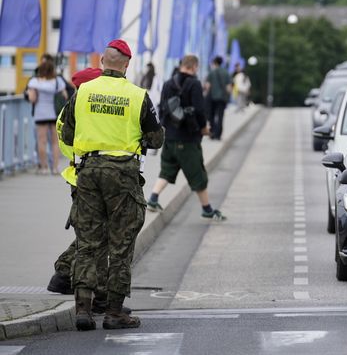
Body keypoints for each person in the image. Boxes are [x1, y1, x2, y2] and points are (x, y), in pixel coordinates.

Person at [59, 40, 164, 331]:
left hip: (88, 173)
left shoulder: (82, 92)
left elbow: (67, 133)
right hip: (123, 176)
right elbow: (156, 139)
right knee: (120, 245)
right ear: (127, 64)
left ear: (103, 62)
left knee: (87, 244)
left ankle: (83, 309)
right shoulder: (138, 95)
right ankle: (115, 313)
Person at [146, 55, 227, 221]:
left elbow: (161, 109)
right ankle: (207, 209)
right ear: (194, 66)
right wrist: (204, 128)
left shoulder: (169, 83)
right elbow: (199, 110)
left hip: (169, 137)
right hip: (188, 139)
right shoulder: (194, 84)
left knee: (167, 169)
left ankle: (153, 199)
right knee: (198, 174)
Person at [26, 55, 68, 174]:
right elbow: (64, 96)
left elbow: (32, 99)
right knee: (55, 142)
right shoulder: (57, 81)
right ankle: (55, 168)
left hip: (41, 114)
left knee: (42, 141)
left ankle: (44, 167)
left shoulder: (35, 82)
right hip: (54, 114)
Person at [205, 56, 232, 139]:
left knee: (211, 115)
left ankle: (212, 132)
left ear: (215, 63)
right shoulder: (226, 73)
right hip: (222, 98)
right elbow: (229, 88)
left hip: (212, 97)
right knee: (220, 116)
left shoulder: (212, 72)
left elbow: (207, 86)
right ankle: (218, 135)